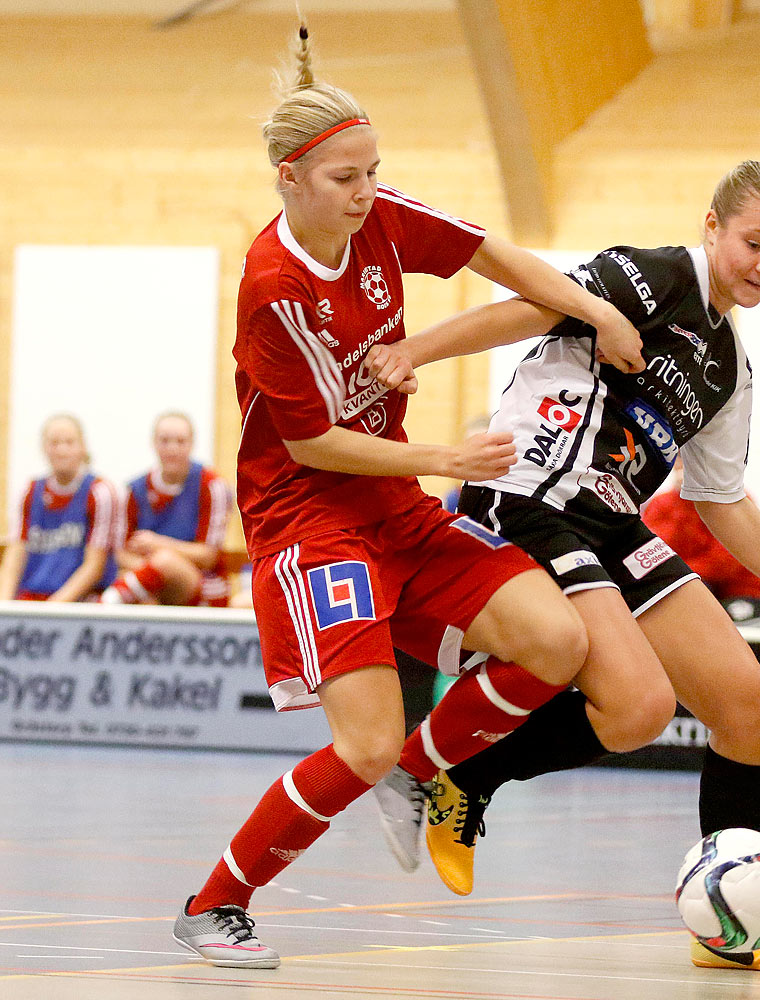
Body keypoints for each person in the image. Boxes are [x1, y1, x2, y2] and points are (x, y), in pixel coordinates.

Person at [170, 23, 645, 970]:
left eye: (374, 171)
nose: (367, 192)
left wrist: (595, 310)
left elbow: (496, 256)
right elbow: (311, 440)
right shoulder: (273, 286)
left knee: (556, 642)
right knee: (364, 743)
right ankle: (214, 904)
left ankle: (423, 774)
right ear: (291, 180)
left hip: (396, 508)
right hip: (313, 522)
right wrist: (442, 454)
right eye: (346, 178)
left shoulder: (379, 218)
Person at [369, 159, 760, 975]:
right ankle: (463, 775)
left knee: (749, 707)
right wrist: (416, 348)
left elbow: (722, 502)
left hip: (611, 520)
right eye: (753, 244)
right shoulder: (655, 276)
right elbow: (529, 306)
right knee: (639, 708)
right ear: (712, 226)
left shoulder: (728, 366)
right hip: (531, 493)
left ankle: (733, 931)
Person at [99, 412, 234, 608]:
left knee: (164, 561)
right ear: (153, 443)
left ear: (191, 444)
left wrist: (157, 545)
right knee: (143, 589)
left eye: (180, 441)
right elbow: (121, 554)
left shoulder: (212, 486)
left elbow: (208, 556)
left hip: (203, 583)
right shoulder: (134, 490)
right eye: (165, 441)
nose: (172, 449)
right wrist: (155, 572)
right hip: (150, 581)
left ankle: (104, 604)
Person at [642, 456, 760, 626]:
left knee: (720, 631)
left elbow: (724, 562)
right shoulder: (662, 504)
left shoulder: (733, 500)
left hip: (748, 593)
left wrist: (677, 573)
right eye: (680, 457)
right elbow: (654, 551)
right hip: (702, 590)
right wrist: (684, 499)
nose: (687, 463)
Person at [0, 414, 117, 602]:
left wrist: (54, 609)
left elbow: (95, 565)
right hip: (33, 594)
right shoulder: (29, 491)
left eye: (69, 442)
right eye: (54, 443)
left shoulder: (99, 492)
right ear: (44, 449)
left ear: (82, 447)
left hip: (80, 600)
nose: (62, 450)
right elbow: (15, 554)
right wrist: (4, 604)